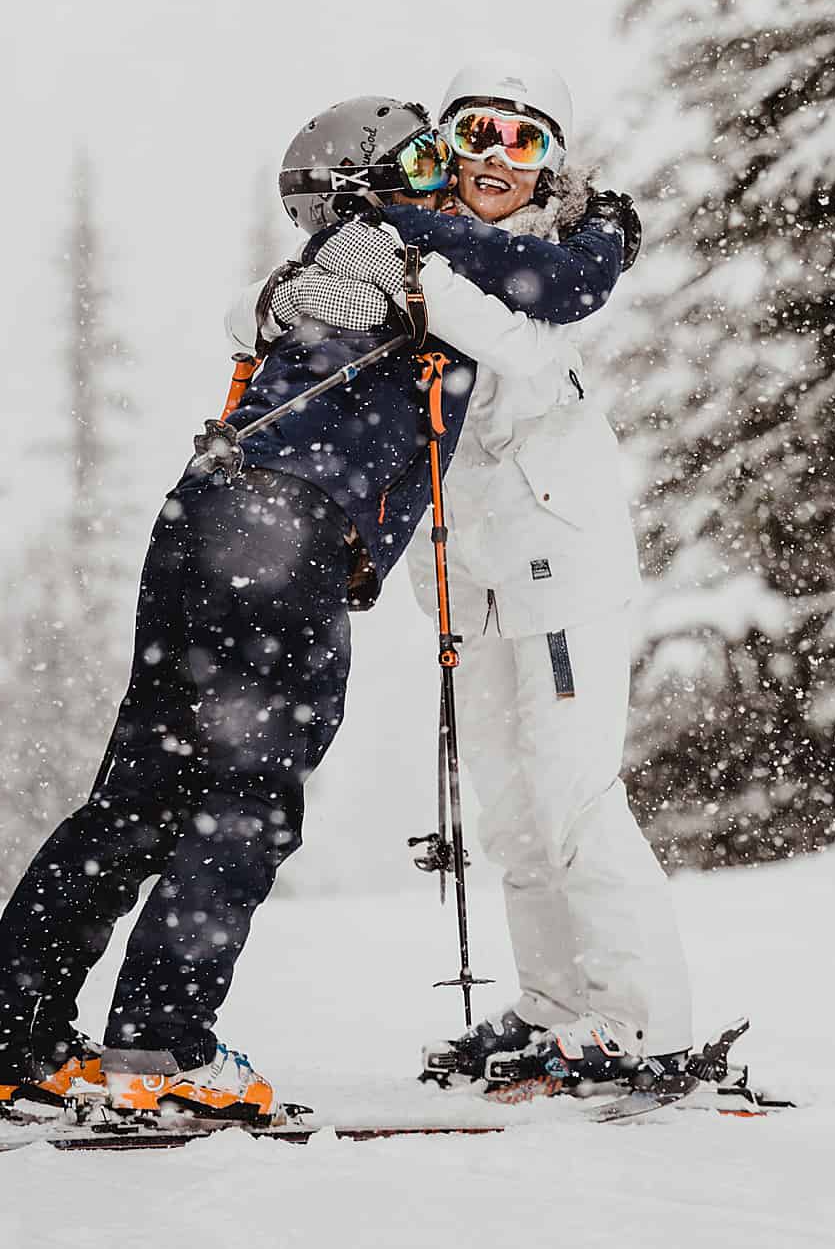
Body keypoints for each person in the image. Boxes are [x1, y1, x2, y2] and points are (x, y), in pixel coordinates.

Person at [0, 98, 638, 1123]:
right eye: (417, 153)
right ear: (368, 179)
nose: (441, 166)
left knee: (139, 795)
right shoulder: (399, 242)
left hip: (208, 516)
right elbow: (558, 284)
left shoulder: (346, 258)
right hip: (280, 535)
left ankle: (13, 1038)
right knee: (247, 794)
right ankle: (164, 1046)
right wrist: (605, 227)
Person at [243, 54, 693, 1093]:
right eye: (474, 134)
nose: (494, 158)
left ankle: (641, 1025)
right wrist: (316, 285)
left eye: (522, 140)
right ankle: (553, 1009)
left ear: (550, 167)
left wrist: (408, 270)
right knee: (512, 818)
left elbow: (520, 355)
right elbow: (251, 314)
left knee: (575, 802)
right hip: (465, 582)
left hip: (562, 570)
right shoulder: (411, 240)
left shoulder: (574, 262)